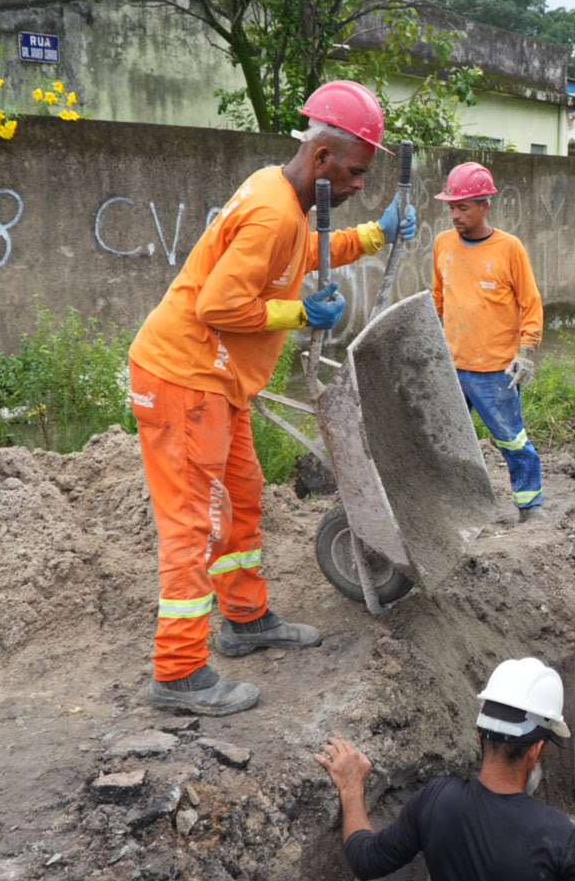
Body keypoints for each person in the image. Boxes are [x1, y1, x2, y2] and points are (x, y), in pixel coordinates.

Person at [129, 79, 417, 717]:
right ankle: (177, 672)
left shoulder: (285, 198)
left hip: (217, 381)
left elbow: (305, 253)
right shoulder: (269, 210)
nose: (360, 184)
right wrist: (299, 313)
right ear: (321, 158)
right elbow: (219, 304)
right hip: (184, 378)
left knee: (242, 499)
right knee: (196, 524)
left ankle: (244, 618)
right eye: (357, 171)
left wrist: (374, 234)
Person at [315, 657, 575, 881]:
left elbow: (365, 859)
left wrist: (351, 788)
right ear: (536, 750)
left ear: (479, 737)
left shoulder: (436, 802)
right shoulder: (562, 836)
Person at [430, 161, 546, 520]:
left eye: (463, 206)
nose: (455, 214)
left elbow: (531, 303)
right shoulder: (443, 244)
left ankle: (530, 506)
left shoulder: (508, 249)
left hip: (495, 370)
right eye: (451, 206)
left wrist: (526, 352)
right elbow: (437, 299)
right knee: (447, 443)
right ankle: (457, 508)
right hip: (452, 366)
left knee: (511, 439)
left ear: (485, 206)